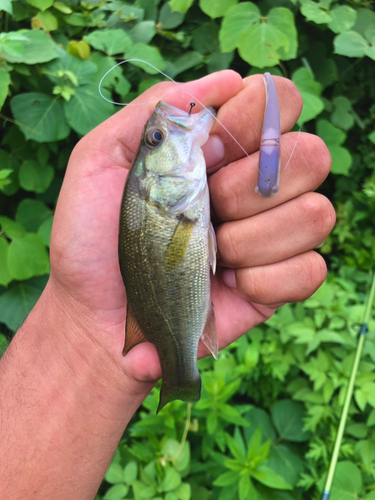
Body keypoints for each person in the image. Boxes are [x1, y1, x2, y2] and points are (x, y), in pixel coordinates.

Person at [0, 70, 334, 500]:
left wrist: (82, 347)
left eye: (153, 139)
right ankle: (182, 372)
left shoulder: (168, 192)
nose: (164, 130)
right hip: (174, 281)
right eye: (156, 140)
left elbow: (183, 242)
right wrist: (80, 336)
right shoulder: (160, 195)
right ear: (152, 179)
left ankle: (180, 372)